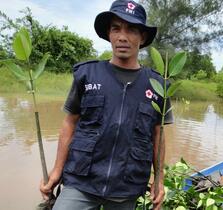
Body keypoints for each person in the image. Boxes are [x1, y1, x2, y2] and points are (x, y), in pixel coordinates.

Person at [39, 0, 173, 209]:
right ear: (109, 34)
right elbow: (69, 124)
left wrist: (159, 180)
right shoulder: (87, 74)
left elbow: (158, 134)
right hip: (82, 181)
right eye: (116, 28)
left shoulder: (158, 85)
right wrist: (57, 171)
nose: (122, 37)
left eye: (131, 30)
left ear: (143, 37)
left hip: (126, 185)